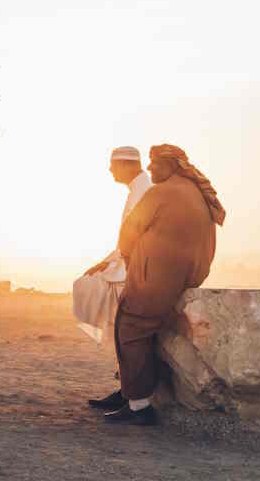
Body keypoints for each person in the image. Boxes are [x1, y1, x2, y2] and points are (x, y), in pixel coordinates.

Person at [98, 144, 224, 426]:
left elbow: (128, 233)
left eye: (155, 163)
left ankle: (139, 406)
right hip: (186, 276)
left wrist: (132, 260)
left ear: (171, 165)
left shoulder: (161, 192)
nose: (151, 167)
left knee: (129, 329)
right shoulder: (193, 192)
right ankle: (132, 397)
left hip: (157, 279)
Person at [74, 147, 153, 360]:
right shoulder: (137, 190)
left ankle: (128, 390)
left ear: (127, 165)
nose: (110, 169)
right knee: (85, 284)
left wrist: (111, 264)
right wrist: (106, 262)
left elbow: (137, 239)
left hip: (135, 270)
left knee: (89, 288)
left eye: (113, 165)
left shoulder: (143, 192)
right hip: (125, 263)